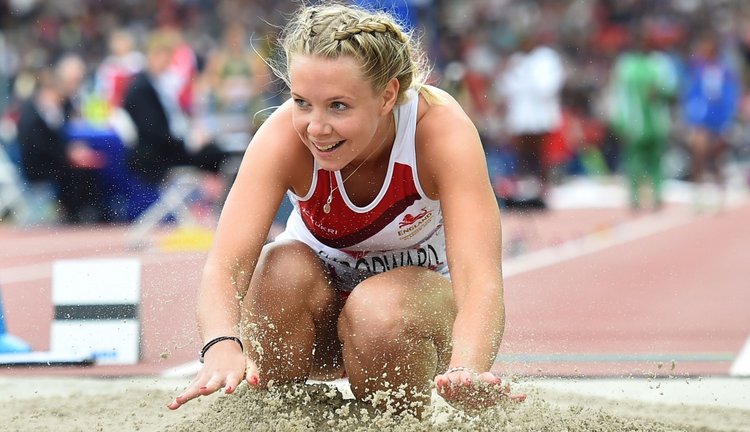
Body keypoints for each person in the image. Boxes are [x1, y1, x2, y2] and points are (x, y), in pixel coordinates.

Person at [167, 2, 525, 416]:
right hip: (315, 317)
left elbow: (480, 282)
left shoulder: (440, 131)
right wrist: (222, 346)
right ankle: (275, 415)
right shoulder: (283, 137)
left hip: (406, 324)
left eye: (338, 106)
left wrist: (468, 369)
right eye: (303, 102)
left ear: (388, 95)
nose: (316, 128)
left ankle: (393, 422)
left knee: (377, 309)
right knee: (279, 266)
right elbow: (225, 268)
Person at [122, 28, 225, 187]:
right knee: (219, 155)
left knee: (216, 150)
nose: (169, 62)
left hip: (166, 149)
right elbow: (154, 132)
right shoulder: (141, 88)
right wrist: (188, 141)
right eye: (166, 56)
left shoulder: (157, 83)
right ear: (154, 55)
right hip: (156, 156)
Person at [15, 54, 111, 223]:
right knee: (75, 172)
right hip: (39, 166)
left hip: (55, 160)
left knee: (89, 168)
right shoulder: (32, 112)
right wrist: (67, 154)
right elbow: (37, 145)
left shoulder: (58, 108)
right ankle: (76, 213)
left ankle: (90, 211)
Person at [608, 22, 678, 211]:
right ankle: (634, 197)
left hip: (656, 121)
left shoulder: (660, 63)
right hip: (634, 122)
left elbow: (674, 92)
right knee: (633, 161)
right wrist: (618, 120)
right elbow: (617, 94)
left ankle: (657, 196)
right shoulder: (626, 65)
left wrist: (660, 92)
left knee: (656, 161)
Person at [496, 30, 564, 210]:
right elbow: (506, 89)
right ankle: (525, 192)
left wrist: (525, 74)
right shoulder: (515, 60)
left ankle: (544, 192)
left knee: (543, 157)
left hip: (541, 117)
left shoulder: (546, 59)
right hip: (521, 119)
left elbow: (546, 88)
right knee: (522, 158)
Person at [681, 31, 740, 210]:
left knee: (715, 159)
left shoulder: (724, 70)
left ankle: (719, 194)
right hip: (701, 122)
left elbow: (730, 95)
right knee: (698, 155)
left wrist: (728, 119)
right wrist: (691, 117)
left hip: (719, 121)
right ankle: (697, 195)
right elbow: (690, 94)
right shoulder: (697, 69)